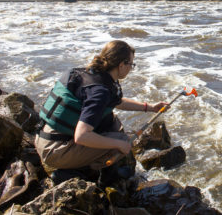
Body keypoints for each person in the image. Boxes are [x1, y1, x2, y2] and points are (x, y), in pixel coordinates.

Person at [35, 40, 168, 186]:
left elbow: (118, 102)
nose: (131, 68)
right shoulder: (99, 93)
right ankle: (78, 174)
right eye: (131, 64)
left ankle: (94, 166)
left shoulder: (90, 74)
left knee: (112, 122)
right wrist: (119, 144)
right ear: (121, 65)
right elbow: (82, 136)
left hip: (45, 138)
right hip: (55, 151)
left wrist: (150, 107)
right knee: (122, 141)